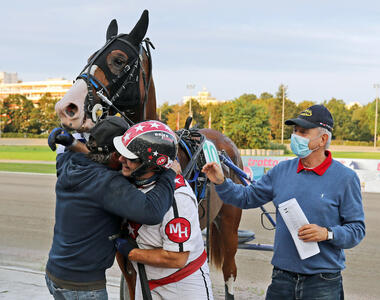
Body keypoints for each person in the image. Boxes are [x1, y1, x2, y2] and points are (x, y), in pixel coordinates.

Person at [202, 105, 365, 300]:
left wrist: (327, 233)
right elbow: (246, 197)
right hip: (282, 279)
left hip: (323, 283)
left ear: (322, 139)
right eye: (295, 131)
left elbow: (356, 229)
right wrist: (221, 182)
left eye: (303, 131)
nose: (295, 136)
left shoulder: (345, 178)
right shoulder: (281, 171)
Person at [45, 116, 178, 300]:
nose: (126, 158)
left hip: (54, 274)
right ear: (116, 156)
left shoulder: (68, 161)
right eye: (124, 153)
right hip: (83, 286)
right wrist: (169, 173)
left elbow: (79, 153)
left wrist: (71, 142)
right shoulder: (107, 182)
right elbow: (152, 211)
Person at [113, 120, 213, 300]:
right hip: (147, 282)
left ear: (152, 164)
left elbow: (177, 258)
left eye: (130, 158)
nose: (122, 160)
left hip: (182, 287)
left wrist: (131, 252)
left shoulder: (177, 199)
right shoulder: (136, 180)